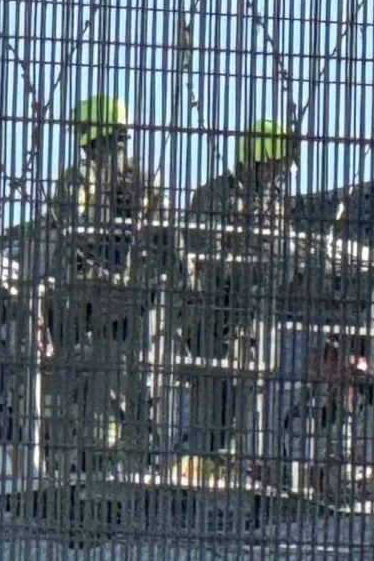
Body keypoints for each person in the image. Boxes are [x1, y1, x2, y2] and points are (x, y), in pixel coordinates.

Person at [41, 95, 168, 476]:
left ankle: (110, 455)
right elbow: (66, 223)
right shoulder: (88, 182)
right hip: (95, 299)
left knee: (119, 378)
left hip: (117, 300)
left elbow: (163, 240)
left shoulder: (135, 184)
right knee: (103, 377)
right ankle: (102, 454)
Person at [179, 118, 301, 458]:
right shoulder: (215, 195)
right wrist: (244, 265)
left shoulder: (274, 206)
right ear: (255, 160)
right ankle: (205, 459)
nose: (277, 175)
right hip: (211, 317)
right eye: (273, 166)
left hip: (250, 319)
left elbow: (281, 258)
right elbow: (201, 255)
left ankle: (237, 460)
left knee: (247, 398)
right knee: (212, 395)